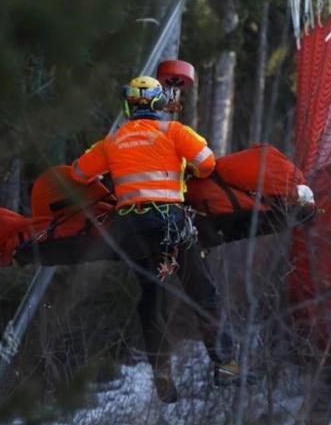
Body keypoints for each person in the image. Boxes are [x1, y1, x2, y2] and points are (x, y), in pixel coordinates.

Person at [70, 75, 240, 403]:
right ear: (159, 104)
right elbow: (207, 164)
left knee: (152, 298)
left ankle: (162, 375)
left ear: (128, 105)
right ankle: (226, 368)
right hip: (171, 223)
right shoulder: (174, 131)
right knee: (203, 292)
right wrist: (181, 169)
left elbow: (79, 173)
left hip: (131, 229)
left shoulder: (113, 141)